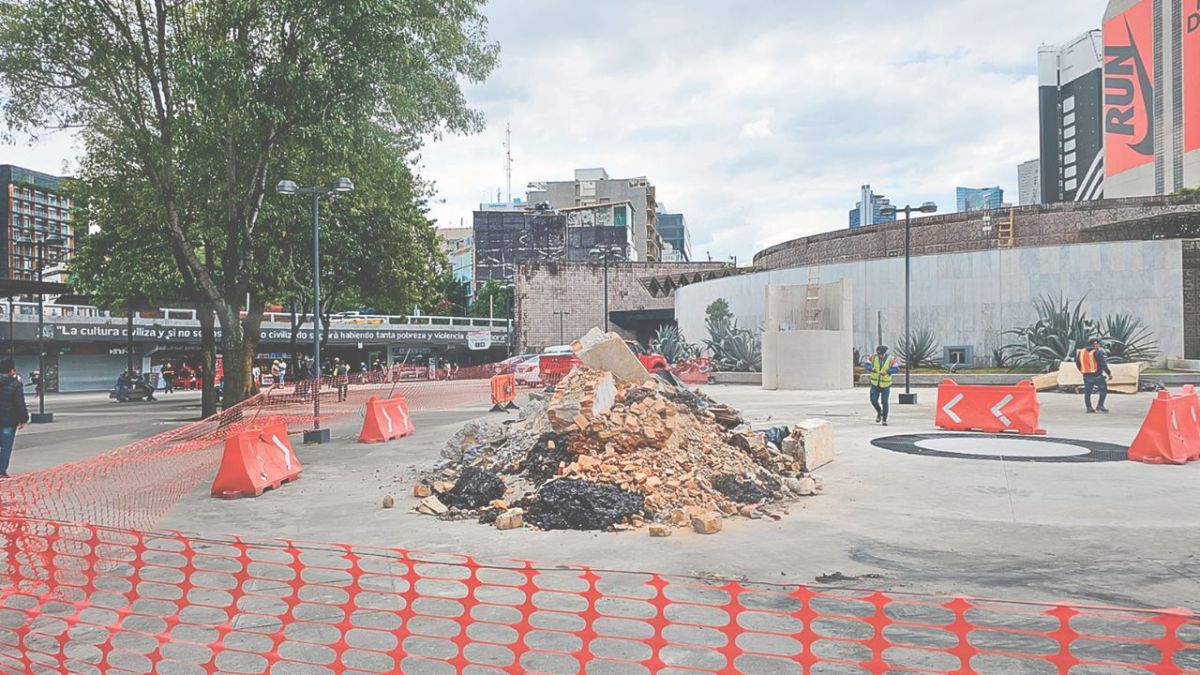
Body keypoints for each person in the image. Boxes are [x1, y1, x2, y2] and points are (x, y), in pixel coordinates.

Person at [0, 359, 30, 477]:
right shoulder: (15, 384)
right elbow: (19, 403)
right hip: (8, 420)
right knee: (6, 446)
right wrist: (23, 419)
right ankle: (1, 471)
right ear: (11, 370)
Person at [863, 345, 900, 426]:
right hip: (875, 383)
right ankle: (879, 412)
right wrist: (871, 369)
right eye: (879, 354)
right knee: (873, 400)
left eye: (882, 354)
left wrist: (887, 372)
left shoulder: (891, 359)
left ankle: (884, 419)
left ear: (885, 353)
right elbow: (866, 365)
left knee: (885, 402)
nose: (880, 355)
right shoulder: (872, 357)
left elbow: (896, 369)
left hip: (885, 384)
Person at [1075, 338, 1112, 413]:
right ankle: (1100, 405)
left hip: (1086, 376)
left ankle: (1089, 408)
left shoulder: (1081, 352)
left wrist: (1082, 371)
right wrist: (1109, 373)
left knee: (1087, 392)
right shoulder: (1097, 352)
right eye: (1098, 344)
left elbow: (1078, 363)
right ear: (1095, 344)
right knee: (1103, 389)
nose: (1099, 346)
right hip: (1097, 376)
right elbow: (1103, 364)